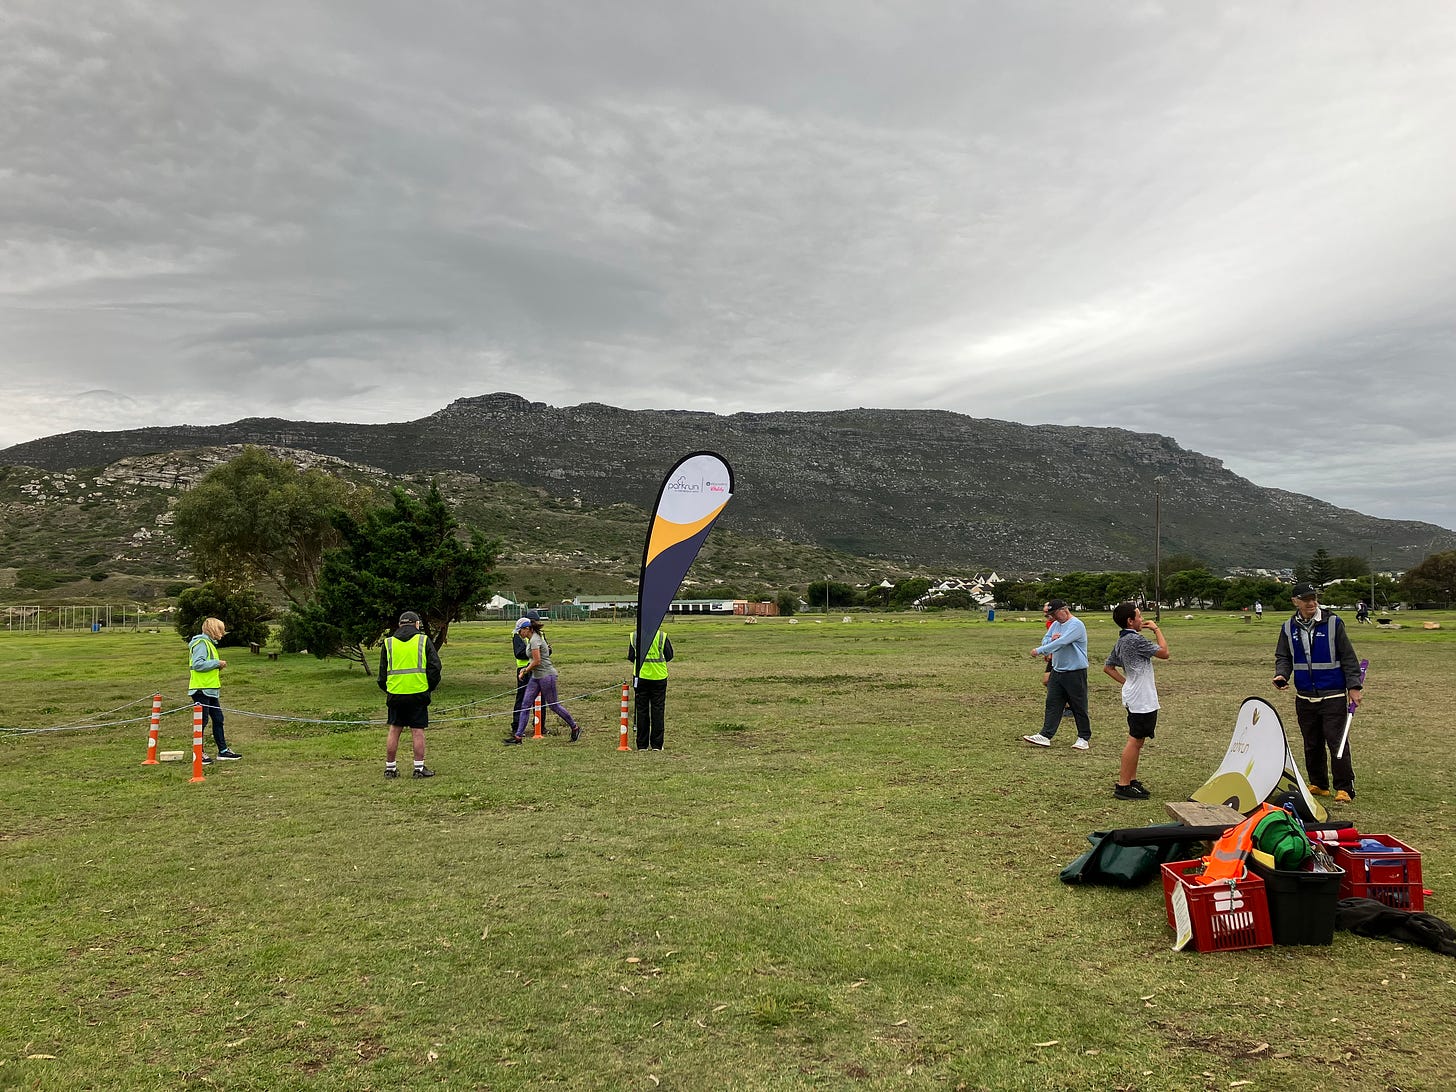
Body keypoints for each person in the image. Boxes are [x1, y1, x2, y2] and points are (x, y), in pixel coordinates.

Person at [1274, 583, 1365, 803]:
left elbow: (1348, 657)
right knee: (1311, 742)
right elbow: (1284, 656)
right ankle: (1319, 783)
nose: (1311, 603)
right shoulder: (1288, 627)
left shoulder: (1333, 623)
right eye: (1305, 599)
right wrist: (1282, 675)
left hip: (1332, 694)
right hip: (1304, 695)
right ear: (1295, 601)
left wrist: (1353, 686)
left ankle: (1344, 788)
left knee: (1337, 742)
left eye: (1313, 598)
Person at [1102, 602, 1169, 799]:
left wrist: (1127, 682)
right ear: (1130, 621)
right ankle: (1123, 785)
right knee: (1134, 740)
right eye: (1139, 616)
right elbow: (1164, 653)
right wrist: (1157, 630)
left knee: (1138, 741)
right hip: (1141, 698)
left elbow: (1108, 667)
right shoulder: (1135, 640)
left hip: (1134, 695)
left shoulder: (1121, 641)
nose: (1142, 619)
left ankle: (1131, 780)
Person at [380, 610, 442, 779]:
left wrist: (390, 689)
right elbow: (435, 667)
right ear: (417, 625)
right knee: (417, 730)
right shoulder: (423, 640)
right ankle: (419, 768)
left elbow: (381, 675)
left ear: (399, 625)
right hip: (418, 693)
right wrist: (428, 687)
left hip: (395, 693)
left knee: (394, 729)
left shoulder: (388, 643)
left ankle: (390, 768)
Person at [1023, 599, 1092, 749]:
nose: (1053, 617)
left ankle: (1083, 738)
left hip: (1075, 672)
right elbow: (1046, 639)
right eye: (1050, 614)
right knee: (1052, 703)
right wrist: (1049, 641)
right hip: (1057, 670)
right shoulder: (1055, 625)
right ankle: (1045, 735)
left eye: (1054, 613)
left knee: (1078, 705)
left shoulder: (1076, 625)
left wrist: (1040, 650)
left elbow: (1062, 642)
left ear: (1064, 610)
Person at [505, 616, 580, 744]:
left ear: (527, 629)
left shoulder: (535, 640)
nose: (519, 633)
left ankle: (575, 727)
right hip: (536, 677)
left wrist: (525, 670)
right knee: (525, 705)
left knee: (553, 705)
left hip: (546, 676)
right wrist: (527, 670)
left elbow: (537, 661)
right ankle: (518, 737)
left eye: (520, 631)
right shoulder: (531, 639)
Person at [188, 616, 240, 763]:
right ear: (213, 630)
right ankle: (199, 753)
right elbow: (198, 665)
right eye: (221, 630)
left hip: (210, 689)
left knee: (218, 719)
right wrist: (217, 663)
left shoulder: (209, 644)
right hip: (201, 689)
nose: (223, 634)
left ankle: (223, 751)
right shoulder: (202, 643)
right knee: (202, 721)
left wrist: (217, 666)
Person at [628, 626, 674, 751]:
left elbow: (631, 657)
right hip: (659, 677)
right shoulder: (662, 636)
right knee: (658, 711)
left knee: (641, 711)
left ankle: (642, 745)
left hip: (641, 677)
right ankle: (657, 745)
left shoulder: (634, 636)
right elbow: (669, 656)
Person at [511, 616, 533, 728]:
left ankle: (539, 725)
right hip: (523, 670)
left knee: (537, 698)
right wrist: (533, 652)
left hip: (535, 668)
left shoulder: (536, 636)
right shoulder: (517, 637)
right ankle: (517, 726)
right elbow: (519, 653)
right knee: (522, 698)